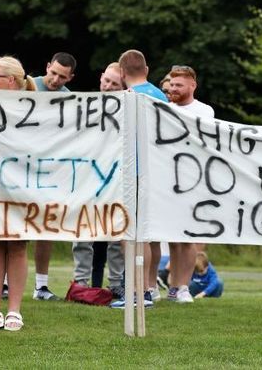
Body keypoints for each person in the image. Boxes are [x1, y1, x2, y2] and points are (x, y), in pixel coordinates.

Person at [110, 49, 168, 309]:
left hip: (131, 172)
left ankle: (138, 292)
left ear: (122, 73)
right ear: (146, 70)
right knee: (143, 233)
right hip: (154, 171)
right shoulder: (160, 95)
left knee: (132, 235)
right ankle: (145, 290)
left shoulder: (127, 98)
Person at [0, 56, 37, 331]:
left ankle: (14, 309)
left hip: (24, 187)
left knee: (17, 245)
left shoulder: (37, 110)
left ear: (12, 81)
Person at [71, 62, 126, 298]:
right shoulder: (85, 105)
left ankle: (116, 282)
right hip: (86, 176)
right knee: (83, 230)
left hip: (114, 177)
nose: (109, 86)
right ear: (101, 78)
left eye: (115, 84)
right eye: (107, 81)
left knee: (116, 233)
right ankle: (81, 282)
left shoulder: (127, 108)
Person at [30, 52, 77, 301]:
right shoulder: (26, 85)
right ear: (47, 67)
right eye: (53, 72)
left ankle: (41, 285)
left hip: (49, 170)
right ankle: (5, 283)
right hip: (18, 165)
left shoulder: (68, 99)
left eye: (62, 76)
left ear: (70, 77)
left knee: (45, 227)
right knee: (9, 226)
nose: (55, 79)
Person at [166, 65, 214, 304]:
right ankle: (173, 286)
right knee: (171, 237)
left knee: (186, 237)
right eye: (172, 84)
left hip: (192, 179)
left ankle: (183, 285)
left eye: (179, 85)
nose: (174, 89)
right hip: (167, 178)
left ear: (192, 85)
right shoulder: (164, 108)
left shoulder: (204, 111)